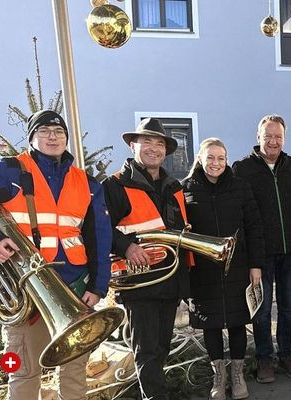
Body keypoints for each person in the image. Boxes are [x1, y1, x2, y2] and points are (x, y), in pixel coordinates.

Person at [0, 110, 112, 400]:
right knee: (25, 374)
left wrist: (97, 287)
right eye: (44, 131)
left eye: (59, 132)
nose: (52, 137)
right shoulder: (9, 170)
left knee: (75, 374)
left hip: (75, 287)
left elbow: (100, 237)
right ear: (32, 137)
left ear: (67, 139)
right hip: (26, 288)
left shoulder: (86, 182)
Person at [102, 118, 193, 400]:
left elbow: (178, 234)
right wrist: (127, 247)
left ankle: (152, 393)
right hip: (138, 281)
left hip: (169, 278)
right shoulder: (115, 185)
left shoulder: (173, 186)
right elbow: (100, 228)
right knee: (146, 349)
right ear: (133, 145)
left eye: (160, 144)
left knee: (162, 346)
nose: (154, 149)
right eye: (147, 142)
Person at [181, 138, 265, 400]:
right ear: (200, 159)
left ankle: (238, 374)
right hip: (203, 270)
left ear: (227, 160)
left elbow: (254, 227)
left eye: (220, 158)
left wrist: (256, 265)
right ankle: (219, 375)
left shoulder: (240, 187)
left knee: (238, 321)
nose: (215, 163)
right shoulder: (185, 189)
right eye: (210, 157)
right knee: (212, 323)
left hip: (238, 266)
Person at [232, 114, 291, 382]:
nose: (273, 141)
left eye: (278, 137)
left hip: (289, 250)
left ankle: (286, 355)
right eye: (268, 136)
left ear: (284, 139)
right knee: (261, 308)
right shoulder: (243, 168)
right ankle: (264, 359)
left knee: (288, 307)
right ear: (258, 138)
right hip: (259, 253)